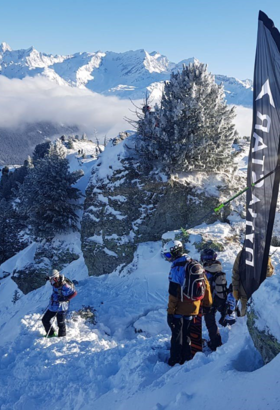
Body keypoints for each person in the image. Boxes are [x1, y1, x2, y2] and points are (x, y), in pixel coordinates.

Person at [164, 240, 212, 366]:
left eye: (168, 255)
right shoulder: (195, 264)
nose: (168, 259)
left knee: (177, 335)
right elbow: (206, 286)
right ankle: (186, 356)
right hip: (195, 307)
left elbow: (173, 294)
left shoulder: (177, 268)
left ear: (175, 252)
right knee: (187, 333)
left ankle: (175, 360)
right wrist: (207, 304)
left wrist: (170, 312)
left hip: (180, 308)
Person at [232, 249, 274, 317]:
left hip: (257, 293)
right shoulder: (243, 253)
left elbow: (268, 274)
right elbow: (236, 272)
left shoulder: (263, 254)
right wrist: (235, 288)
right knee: (244, 316)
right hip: (245, 291)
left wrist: (267, 264)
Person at [200, 248, 227, 351]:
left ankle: (215, 343)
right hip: (219, 299)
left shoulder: (206, 272)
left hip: (209, 301)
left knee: (210, 322)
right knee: (212, 322)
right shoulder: (218, 268)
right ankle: (218, 341)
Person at [42, 269, 77, 338]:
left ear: (55, 278)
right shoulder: (55, 283)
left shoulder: (65, 286)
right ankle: (51, 333)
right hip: (53, 306)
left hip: (61, 307)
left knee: (61, 323)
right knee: (45, 320)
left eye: (51, 279)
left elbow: (74, 293)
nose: (50, 281)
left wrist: (66, 299)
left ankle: (62, 337)